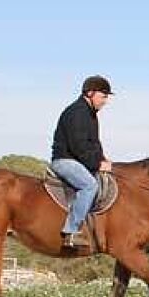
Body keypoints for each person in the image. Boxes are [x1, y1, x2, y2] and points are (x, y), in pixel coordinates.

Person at [51, 75, 114, 249]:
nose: (105, 101)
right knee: (89, 186)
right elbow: (79, 146)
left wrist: (103, 159)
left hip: (79, 160)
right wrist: (97, 164)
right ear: (90, 93)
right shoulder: (77, 113)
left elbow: (94, 143)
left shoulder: (91, 114)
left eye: (106, 97)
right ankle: (71, 232)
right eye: (103, 96)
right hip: (65, 160)